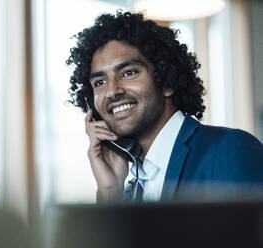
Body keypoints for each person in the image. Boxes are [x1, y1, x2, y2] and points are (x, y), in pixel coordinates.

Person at [66, 11, 263, 204]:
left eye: (128, 73)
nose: (112, 91)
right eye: (99, 82)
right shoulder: (130, 188)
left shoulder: (229, 151)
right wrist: (110, 192)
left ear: (166, 81)